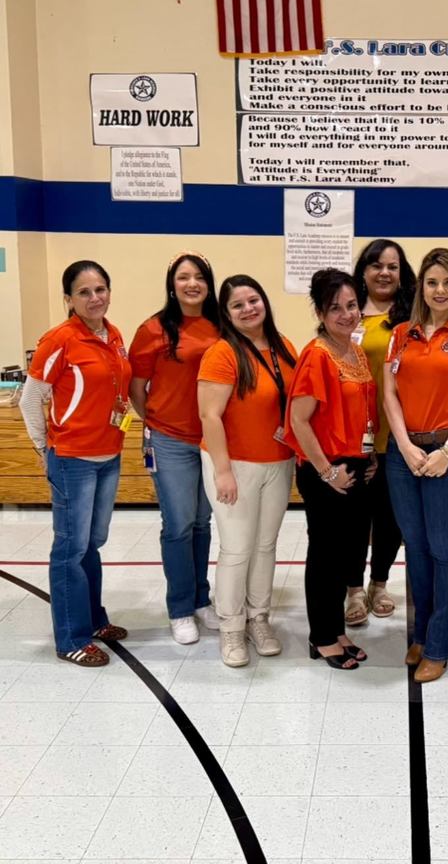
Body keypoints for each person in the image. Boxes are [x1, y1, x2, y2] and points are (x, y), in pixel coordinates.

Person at [383, 248, 448, 683]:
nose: (440, 290)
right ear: (421, 287)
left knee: (444, 548)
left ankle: (439, 644)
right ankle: (423, 632)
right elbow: (389, 394)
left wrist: (446, 451)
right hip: (404, 453)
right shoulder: (401, 334)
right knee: (417, 546)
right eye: (432, 282)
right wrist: (406, 446)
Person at [19, 261, 131, 666]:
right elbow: (30, 399)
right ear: (68, 299)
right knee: (70, 548)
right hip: (73, 460)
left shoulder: (113, 333)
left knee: (91, 544)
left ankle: (94, 619)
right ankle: (71, 637)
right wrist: (43, 447)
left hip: (109, 455)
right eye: (84, 292)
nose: (94, 297)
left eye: (100, 289)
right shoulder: (60, 340)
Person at [197, 275, 297, 667]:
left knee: (265, 545)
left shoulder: (283, 346)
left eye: (253, 300)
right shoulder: (221, 353)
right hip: (234, 464)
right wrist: (223, 471)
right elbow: (210, 415)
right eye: (237, 305)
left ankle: (259, 619)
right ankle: (231, 628)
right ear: (226, 313)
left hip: (277, 461)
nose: (248, 309)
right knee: (237, 548)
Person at [285, 269, 378, 670]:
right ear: (321, 313)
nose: (346, 314)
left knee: (346, 555)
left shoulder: (354, 351)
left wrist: (369, 458)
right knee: (324, 555)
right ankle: (321, 637)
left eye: (352, 305)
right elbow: (299, 420)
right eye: (335, 308)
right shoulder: (317, 355)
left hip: (355, 466)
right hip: (327, 472)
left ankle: (337, 629)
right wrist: (327, 472)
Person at [129, 252, 220, 645]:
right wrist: (158, 422)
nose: (192, 284)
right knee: (179, 524)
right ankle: (180, 608)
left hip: (213, 440)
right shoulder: (153, 329)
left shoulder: (221, 324)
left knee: (203, 522)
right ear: (172, 284)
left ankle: (201, 598)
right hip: (170, 440)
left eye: (199, 276)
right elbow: (136, 388)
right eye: (184, 277)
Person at [344, 239, 417, 626]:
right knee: (355, 516)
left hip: (399, 435)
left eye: (392, 266)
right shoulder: (348, 313)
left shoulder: (414, 317)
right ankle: (353, 588)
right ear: (364, 271)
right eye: (376, 265)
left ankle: (379, 583)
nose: (384, 272)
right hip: (353, 435)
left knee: (390, 517)